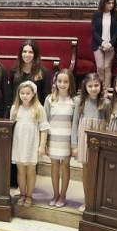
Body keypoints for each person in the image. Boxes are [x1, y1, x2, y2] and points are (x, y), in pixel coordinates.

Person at [72, 73, 107, 212]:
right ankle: (87, 201)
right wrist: (74, 145)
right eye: (90, 86)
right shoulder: (80, 102)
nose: (93, 88)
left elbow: (108, 123)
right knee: (86, 171)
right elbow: (75, 123)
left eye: (96, 85)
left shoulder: (106, 103)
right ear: (85, 87)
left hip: (100, 140)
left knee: (99, 172)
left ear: (101, 86)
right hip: (84, 139)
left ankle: (96, 202)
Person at [10, 80, 49, 207]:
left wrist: (42, 146)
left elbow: (44, 128)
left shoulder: (38, 109)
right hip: (19, 143)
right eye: (22, 93)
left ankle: (29, 195)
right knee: (20, 170)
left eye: (27, 93)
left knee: (31, 170)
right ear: (18, 94)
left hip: (32, 143)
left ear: (33, 94)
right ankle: (22, 193)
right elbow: (11, 126)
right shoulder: (16, 108)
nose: (25, 96)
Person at [43, 69, 76, 208]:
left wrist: (74, 144)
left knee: (65, 166)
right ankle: (55, 194)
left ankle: (63, 195)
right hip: (53, 139)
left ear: (70, 83)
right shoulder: (50, 99)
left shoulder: (74, 101)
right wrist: (43, 142)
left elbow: (75, 123)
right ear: (55, 82)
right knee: (54, 166)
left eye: (66, 82)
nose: (62, 84)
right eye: (59, 81)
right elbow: (45, 121)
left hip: (67, 140)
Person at [91, 0, 117, 89]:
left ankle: (107, 91)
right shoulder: (96, 15)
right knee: (100, 67)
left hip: (111, 45)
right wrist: (102, 43)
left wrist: (110, 43)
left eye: (113, 3)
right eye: (109, 3)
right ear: (103, 3)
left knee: (107, 67)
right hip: (98, 44)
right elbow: (94, 31)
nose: (111, 5)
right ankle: (100, 89)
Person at [10, 40, 52, 107]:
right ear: (21, 53)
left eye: (30, 52)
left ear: (35, 54)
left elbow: (46, 96)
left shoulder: (44, 72)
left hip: (36, 111)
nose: (27, 54)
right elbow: (11, 93)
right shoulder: (14, 71)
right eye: (24, 52)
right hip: (18, 110)